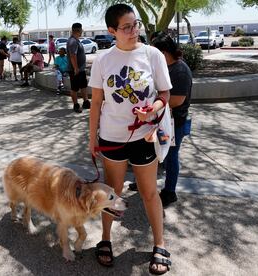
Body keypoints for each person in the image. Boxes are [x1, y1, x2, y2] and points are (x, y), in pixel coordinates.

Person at [88, 4, 172, 274]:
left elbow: (165, 95)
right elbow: (97, 103)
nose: (134, 30)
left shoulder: (152, 54)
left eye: (135, 25)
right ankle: (105, 239)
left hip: (144, 137)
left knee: (149, 193)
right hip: (112, 138)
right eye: (126, 27)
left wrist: (154, 109)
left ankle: (160, 243)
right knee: (112, 192)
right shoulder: (102, 60)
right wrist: (92, 139)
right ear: (112, 30)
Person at [151, 31, 193, 206]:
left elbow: (176, 100)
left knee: (170, 155)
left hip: (173, 125)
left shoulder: (180, 71)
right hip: (163, 121)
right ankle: (145, 184)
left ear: (163, 53)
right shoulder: (166, 67)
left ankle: (169, 192)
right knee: (155, 153)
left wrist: (153, 104)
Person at [67, 23, 90, 113]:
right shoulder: (72, 41)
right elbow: (73, 55)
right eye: (81, 30)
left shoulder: (76, 40)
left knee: (83, 86)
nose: (82, 32)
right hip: (75, 70)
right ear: (77, 30)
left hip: (81, 69)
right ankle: (76, 105)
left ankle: (86, 102)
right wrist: (76, 68)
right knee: (75, 88)